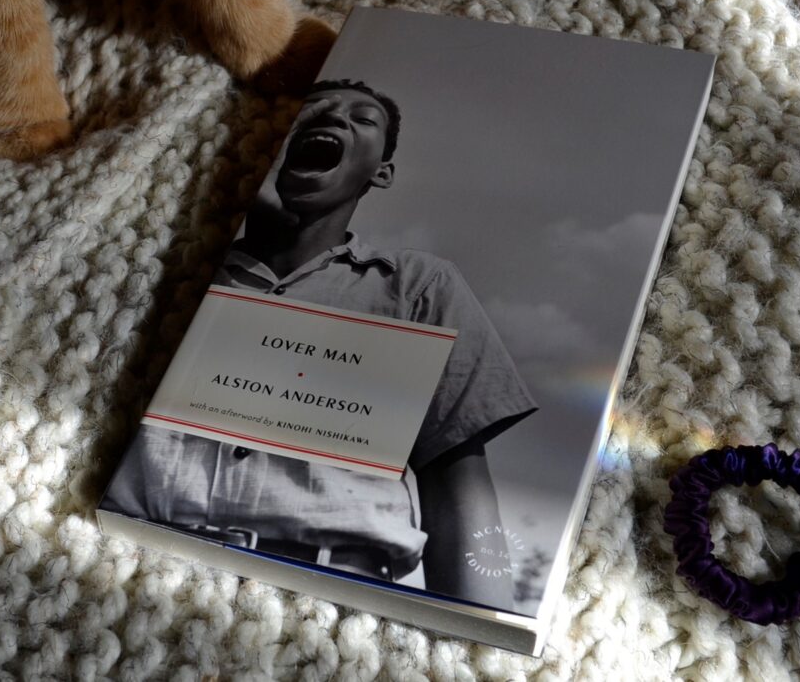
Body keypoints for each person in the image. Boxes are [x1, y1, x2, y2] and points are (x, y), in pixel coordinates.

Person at [103, 80, 538, 607]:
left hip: (332, 599)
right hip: (130, 566)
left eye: (362, 119)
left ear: (381, 171)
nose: (332, 117)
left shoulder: (417, 287)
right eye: (313, 109)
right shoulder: (172, 264)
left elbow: (457, 485)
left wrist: (481, 631)